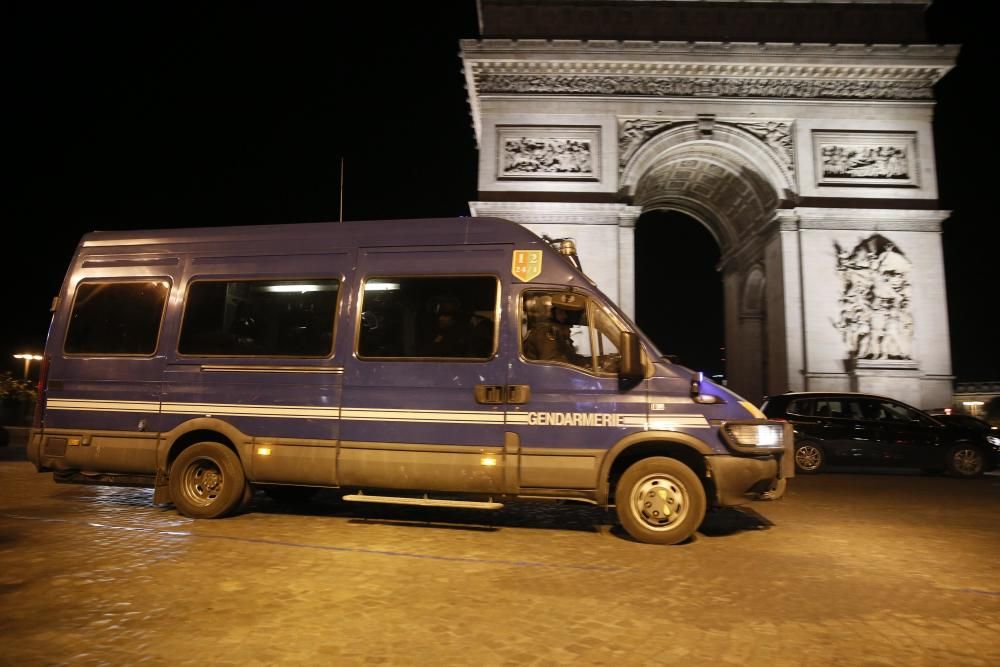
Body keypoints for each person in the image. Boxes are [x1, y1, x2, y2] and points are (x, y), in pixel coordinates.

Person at [523, 293, 587, 366]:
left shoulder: (560, 334)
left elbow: (572, 358)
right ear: (560, 313)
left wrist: (588, 363)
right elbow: (553, 364)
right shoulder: (547, 333)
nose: (576, 317)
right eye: (573, 314)